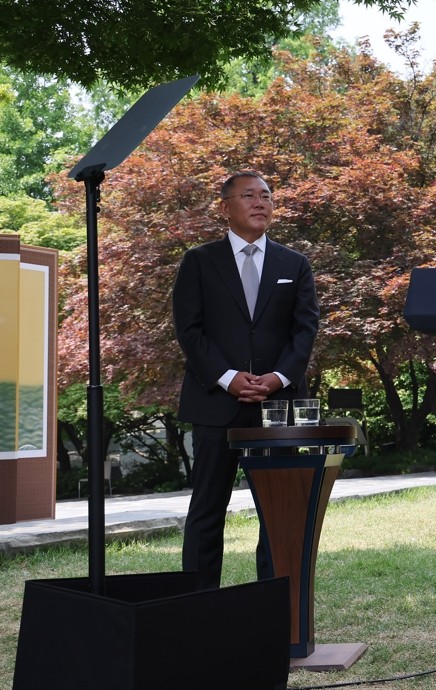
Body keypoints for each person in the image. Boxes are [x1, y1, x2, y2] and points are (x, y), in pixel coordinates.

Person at [172, 171, 319, 589]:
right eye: (249, 195)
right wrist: (228, 377)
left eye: (267, 195)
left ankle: (274, 613)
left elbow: (305, 329)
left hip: (279, 406)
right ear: (225, 207)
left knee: (280, 512)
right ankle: (198, 607)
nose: (260, 202)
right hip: (216, 405)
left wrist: (278, 377)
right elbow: (190, 329)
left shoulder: (295, 264)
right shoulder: (199, 262)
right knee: (206, 510)